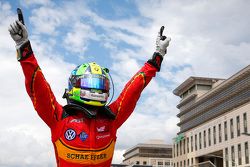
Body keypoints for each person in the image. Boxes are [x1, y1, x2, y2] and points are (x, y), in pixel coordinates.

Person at [8, 16, 171, 167]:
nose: (96, 88)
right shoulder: (58, 117)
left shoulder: (112, 118)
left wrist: (158, 55)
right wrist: (24, 47)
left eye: (101, 83)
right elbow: (39, 88)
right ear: (74, 85)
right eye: (90, 83)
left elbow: (133, 90)